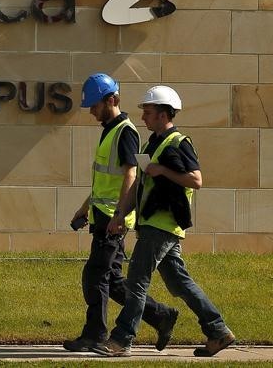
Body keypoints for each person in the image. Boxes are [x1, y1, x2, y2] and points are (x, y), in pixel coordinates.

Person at [96, 85, 235, 357]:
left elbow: (196, 180)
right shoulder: (151, 144)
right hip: (156, 225)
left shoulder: (179, 142)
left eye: (148, 112)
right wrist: (121, 214)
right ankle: (217, 331)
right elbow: (140, 185)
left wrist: (162, 170)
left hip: (162, 225)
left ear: (162, 114)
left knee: (137, 281)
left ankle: (122, 340)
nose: (144, 117)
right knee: (180, 283)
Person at [63, 74, 179, 353]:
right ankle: (160, 315)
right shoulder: (110, 129)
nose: (91, 111)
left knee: (95, 275)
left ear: (111, 100)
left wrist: (119, 215)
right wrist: (83, 209)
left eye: (94, 105)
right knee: (112, 280)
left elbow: (130, 174)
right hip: (102, 214)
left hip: (112, 218)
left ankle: (95, 335)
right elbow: (106, 179)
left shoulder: (125, 131)